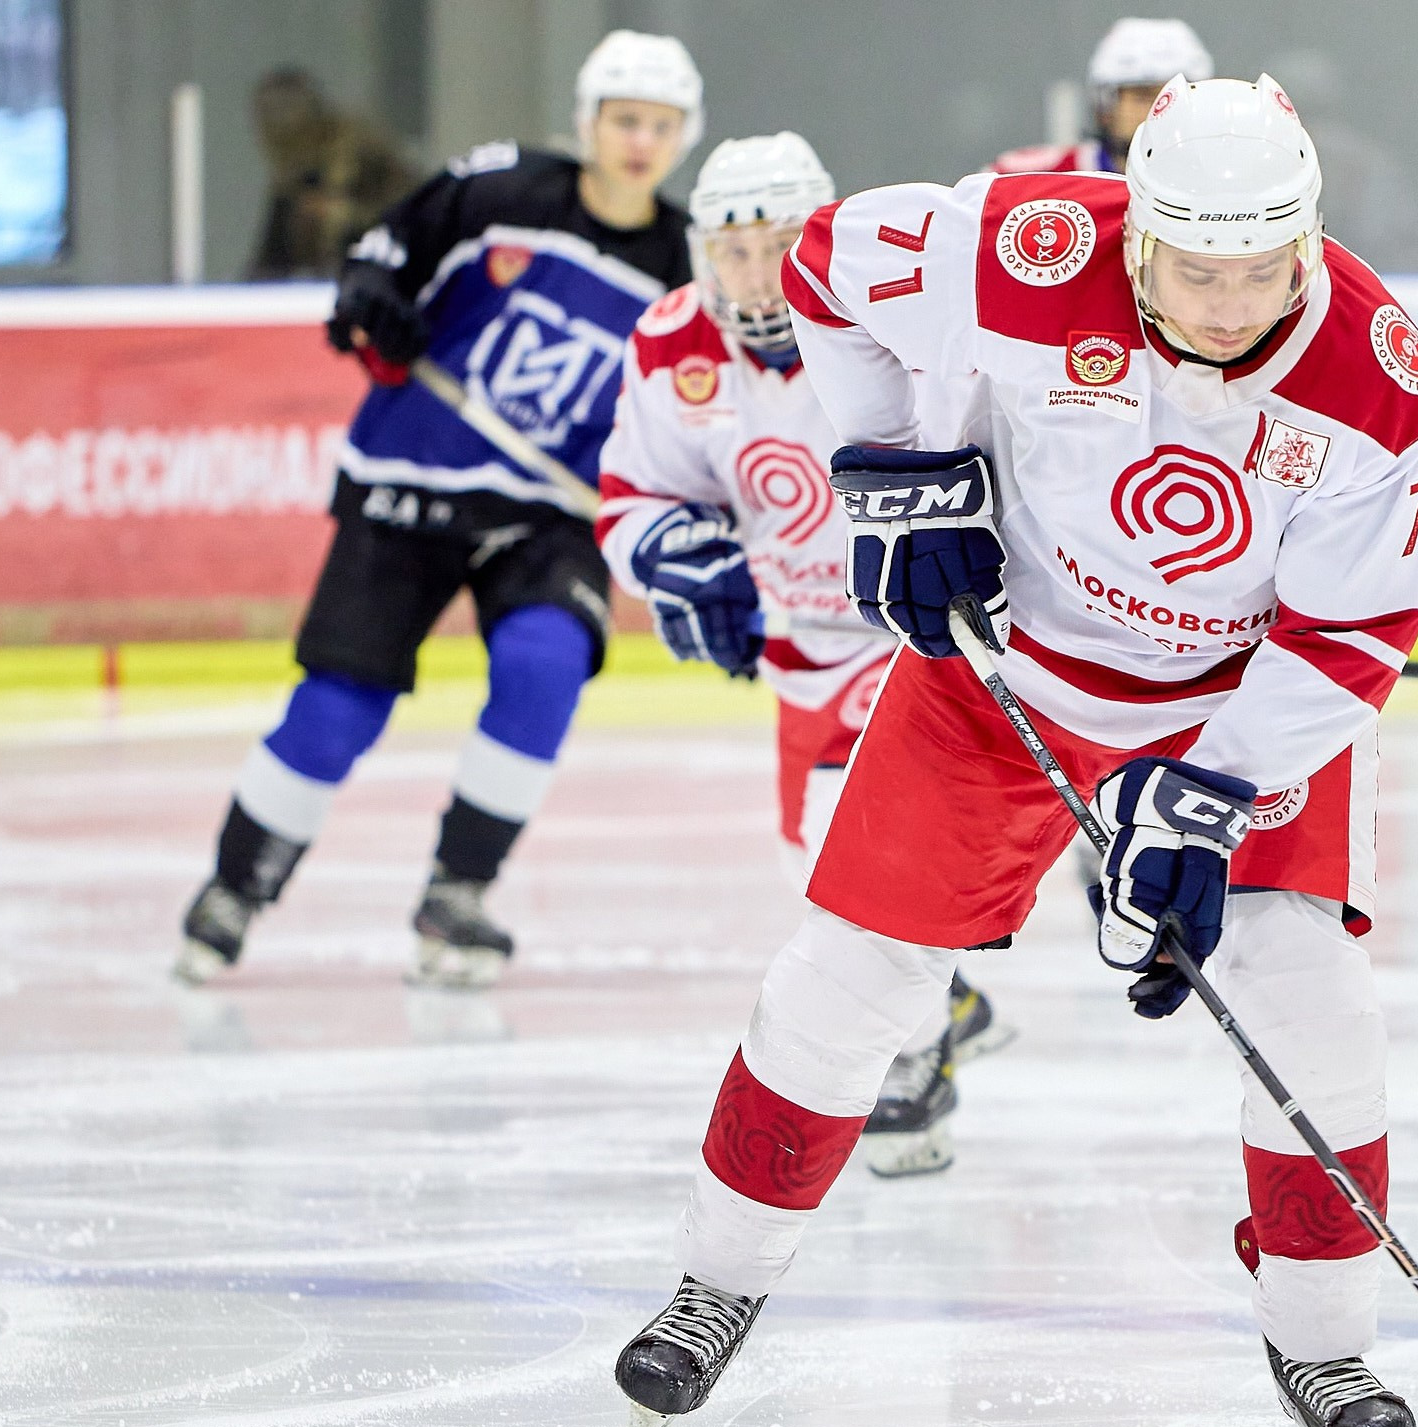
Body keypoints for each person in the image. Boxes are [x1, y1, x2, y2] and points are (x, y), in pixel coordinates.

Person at [616, 75, 1418, 1427]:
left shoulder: (1380, 377)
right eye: (1200, 267)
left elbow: (1353, 638)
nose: (1237, 298)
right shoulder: (1024, 245)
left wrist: (1213, 793)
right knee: (847, 984)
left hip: (1232, 709)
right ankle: (716, 1282)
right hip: (1002, 681)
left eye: (1267, 266)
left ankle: (1327, 1350)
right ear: (1138, 239)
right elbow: (822, 269)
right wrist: (904, 464)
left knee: (1310, 1001)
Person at [173, 31, 701, 990]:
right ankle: (235, 886)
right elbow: (384, 254)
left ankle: (459, 890)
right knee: (338, 708)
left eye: (661, 126)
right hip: (413, 475)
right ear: (588, 123)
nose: (640, 142)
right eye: (625, 119)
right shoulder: (501, 190)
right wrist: (372, 298)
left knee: (545, 666)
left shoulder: (683, 266)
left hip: (549, 511)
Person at [593, 132, 1009, 1177]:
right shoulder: (670, 346)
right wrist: (677, 558)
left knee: (847, 843)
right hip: (800, 650)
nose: (756, 274)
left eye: (778, 244)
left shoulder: (892, 319)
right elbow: (637, 490)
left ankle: (913, 1061)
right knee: (807, 862)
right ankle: (938, 988)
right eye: (731, 250)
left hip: (913, 635)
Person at [245, 67, 418, 280]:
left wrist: (340, 215)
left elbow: (411, 212)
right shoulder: (296, 180)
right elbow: (269, 265)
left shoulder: (358, 151)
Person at [991, 16, 1212, 175]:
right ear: (1104, 105)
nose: (1161, 111)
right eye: (1144, 96)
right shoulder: (1031, 177)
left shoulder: (1230, 181)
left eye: (1177, 99)